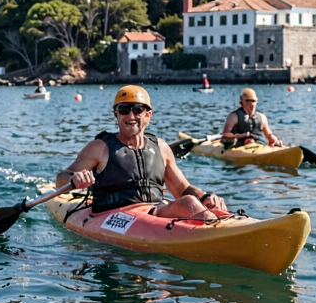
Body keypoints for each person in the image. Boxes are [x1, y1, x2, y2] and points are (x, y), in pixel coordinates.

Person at [56, 85, 228, 220]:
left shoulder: (161, 147)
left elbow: (182, 189)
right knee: (189, 203)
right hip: (113, 215)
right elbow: (60, 179)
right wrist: (74, 178)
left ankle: (220, 227)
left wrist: (206, 197)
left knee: (190, 201)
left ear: (148, 115)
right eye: (124, 110)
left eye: (138, 110)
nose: (131, 116)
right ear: (116, 114)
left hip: (155, 212)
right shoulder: (100, 147)